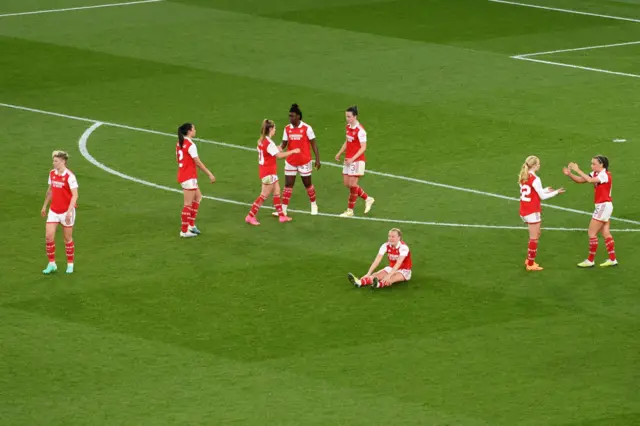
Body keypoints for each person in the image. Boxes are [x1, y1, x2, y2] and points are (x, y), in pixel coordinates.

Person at [563, 155, 618, 267]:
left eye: (594, 163)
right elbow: (581, 180)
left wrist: (577, 169)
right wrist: (570, 174)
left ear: (601, 164)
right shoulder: (596, 173)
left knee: (591, 233)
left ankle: (590, 260)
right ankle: (613, 259)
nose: (591, 165)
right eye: (591, 163)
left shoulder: (605, 175)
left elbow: (590, 180)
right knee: (605, 232)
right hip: (604, 206)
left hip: (603, 206)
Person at [246, 120, 300, 225]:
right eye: (274, 128)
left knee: (276, 192)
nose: (275, 130)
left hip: (267, 172)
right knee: (263, 196)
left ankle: (281, 216)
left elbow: (273, 150)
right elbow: (279, 156)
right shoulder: (269, 143)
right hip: (268, 173)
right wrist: (292, 152)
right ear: (270, 129)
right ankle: (250, 216)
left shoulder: (261, 141)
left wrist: (282, 148)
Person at [519, 156, 565, 271]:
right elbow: (542, 197)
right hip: (532, 211)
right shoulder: (535, 179)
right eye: (538, 164)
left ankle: (529, 259)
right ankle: (530, 264)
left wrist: (544, 189)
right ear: (534, 166)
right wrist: (556, 192)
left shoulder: (523, 176)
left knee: (536, 234)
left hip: (524, 210)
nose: (539, 165)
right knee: (534, 237)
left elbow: (532, 192)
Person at [275, 103, 320, 216]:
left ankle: (314, 204)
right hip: (291, 161)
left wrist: (317, 159)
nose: (290, 118)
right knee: (288, 185)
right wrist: (277, 149)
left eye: (292, 116)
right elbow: (284, 144)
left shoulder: (307, 128)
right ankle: (283, 210)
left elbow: (314, 144)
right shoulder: (287, 129)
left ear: (298, 116)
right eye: (289, 116)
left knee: (307, 184)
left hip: (304, 161)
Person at [41, 151, 79, 274]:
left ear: (63, 161)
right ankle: (52, 264)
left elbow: (75, 195)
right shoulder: (52, 174)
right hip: (54, 210)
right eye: (53, 161)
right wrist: (44, 206)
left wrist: (69, 212)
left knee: (67, 238)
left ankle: (70, 264)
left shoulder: (70, 176)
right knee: (48, 236)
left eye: (56, 161)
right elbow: (50, 191)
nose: (54, 163)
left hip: (66, 212)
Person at [176, 123, 215, 238]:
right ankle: (184, 231)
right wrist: (210, 174)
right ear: (189, 131)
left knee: (198, 197)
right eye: (193, 129)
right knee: (187, 204)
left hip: (185, 175)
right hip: (189, 177)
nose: (195, 131)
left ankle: (191, 225)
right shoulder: (191, 145)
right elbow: (197, 162)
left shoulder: (179, 142)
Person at [335, 105, 375, 217]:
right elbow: (347, 142)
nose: (347, 119)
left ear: (355, 116)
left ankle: (350, 211)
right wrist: (339, 152)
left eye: (349, 117)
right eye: (346, 116)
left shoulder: (360, 131)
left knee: (353, 184)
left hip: (357, 160)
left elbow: (363, 147)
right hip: (348, 159)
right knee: (347, 183)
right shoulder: (348, 127)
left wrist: (353, 158)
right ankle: (368, 198)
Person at [347, 228, 412, 289]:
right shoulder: (385, 245)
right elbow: (377, 260)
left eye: (393, 237)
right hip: (391, 267)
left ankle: (378, 285)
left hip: (404, 270)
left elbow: (398, 263)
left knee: (391, 278)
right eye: (389, 236)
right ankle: (359, 282)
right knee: (376, 275)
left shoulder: (403, 247)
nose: (390, 238)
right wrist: (368, 273)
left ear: (399, 238)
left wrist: (389, 275)